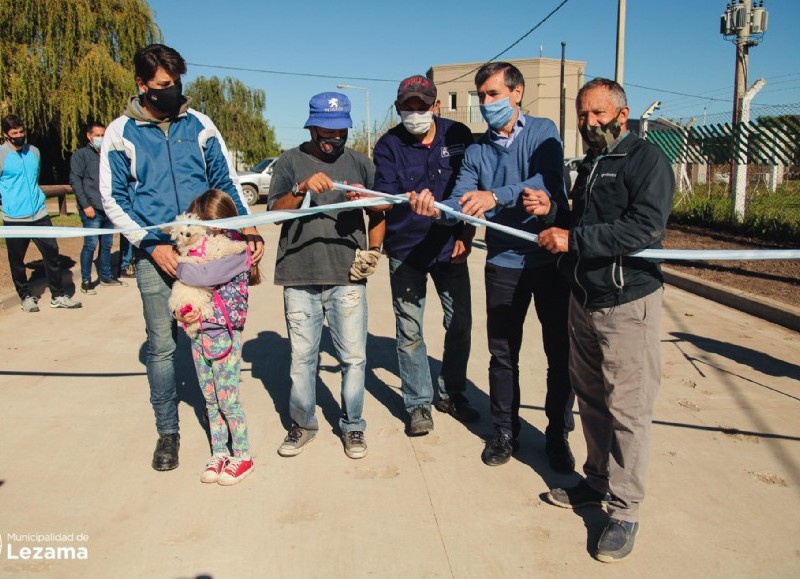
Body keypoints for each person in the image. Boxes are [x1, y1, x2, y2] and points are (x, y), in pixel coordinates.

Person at [100, 44, 263, 472]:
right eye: (162, 86)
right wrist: (151, 244)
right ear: (142, 85)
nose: (173, 92)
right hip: (159, 257)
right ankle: (168, 433)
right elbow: (112, 199)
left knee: (219, 336)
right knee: (162, 347)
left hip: (209, 254)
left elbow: (224, 180)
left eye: (176, 84)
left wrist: (246, 228)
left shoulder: (201, 125)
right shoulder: (119, 133)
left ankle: (227, 434)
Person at [408, 62, 575, 473]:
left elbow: (547, 180)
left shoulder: (543, 132)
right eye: (481, 96)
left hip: (549, 258)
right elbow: (463, 203)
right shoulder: (478, 152)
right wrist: (435, 209)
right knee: (502, 354)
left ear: (517, 93)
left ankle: (557, 435)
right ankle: (504, 432)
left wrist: (495, 196)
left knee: (559, 351)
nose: (485, 104)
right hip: (503, 262)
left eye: (493, 95)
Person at [538, 78, 675, 563]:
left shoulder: (646, 160)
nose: (589, 123)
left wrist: (573, 242)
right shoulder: (593, 164)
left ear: (624, 113)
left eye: (598, 114)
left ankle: (625, 509)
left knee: (628, 410)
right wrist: (556, 218)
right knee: (593, 401)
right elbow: (581, 221)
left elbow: (645, 226)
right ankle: (595, 483)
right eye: (582, 114)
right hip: (584, 300)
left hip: (626, 304)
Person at [268, 92, 383, 460]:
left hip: (347, 274)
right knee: (303, 358)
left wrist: (373, 250)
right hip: (299, 273)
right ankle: (303, 423)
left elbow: (382, 210)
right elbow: (274, 212)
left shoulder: (361, 163)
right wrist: (300, 190)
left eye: (340, 132)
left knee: (353, 357)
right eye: (326, 132)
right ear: (312, 126)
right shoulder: (290, 162)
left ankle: (352, 427)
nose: (334, 139)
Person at [372, 75, 479, 436]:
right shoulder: (388, 145)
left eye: (422, 106)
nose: (415, 113)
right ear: (399, 107)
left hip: (452, 247)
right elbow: (385, 197)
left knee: (460, 323)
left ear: (436, 106)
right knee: (409, 331)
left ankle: (452, 392)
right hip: (406, 251)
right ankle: (418, 404)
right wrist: (367, 200)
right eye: (408, 107)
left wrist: (466, 232)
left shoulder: (459, 136)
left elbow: (474, 189)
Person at [172, 189, 259, 486]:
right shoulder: (197, 254)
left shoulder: (236, 252)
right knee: (209, 398)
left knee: (227, 399)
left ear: (222, 225)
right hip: (198, 333)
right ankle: (219, 451)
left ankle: (242, 455)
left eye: (207, 226)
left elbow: (200, 277)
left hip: (224, 335)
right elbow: (186, 277)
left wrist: (183, 266)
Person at [0, 114, 82, 311]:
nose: (19, 136)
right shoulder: (1, 155)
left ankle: (58, 295)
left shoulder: (34, 152)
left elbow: (34, 178)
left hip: (39, 213)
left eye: (21, 132)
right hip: (14, 217)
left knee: (52, 253)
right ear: (5, 134)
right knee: (17, 260)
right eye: (14, 133)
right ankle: (25, 296)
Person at [69, 121, 127, 294]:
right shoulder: (81, 155)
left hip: (107, 208)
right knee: (90, 245)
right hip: (91, 209)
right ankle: (86, 280)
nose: (100, 138)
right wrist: (85, 205)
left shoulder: (108, 155)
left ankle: (106, 276)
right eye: (97, 135)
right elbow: (75, 181)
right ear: (89, 136)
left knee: (107, 245)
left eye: (103, 135)